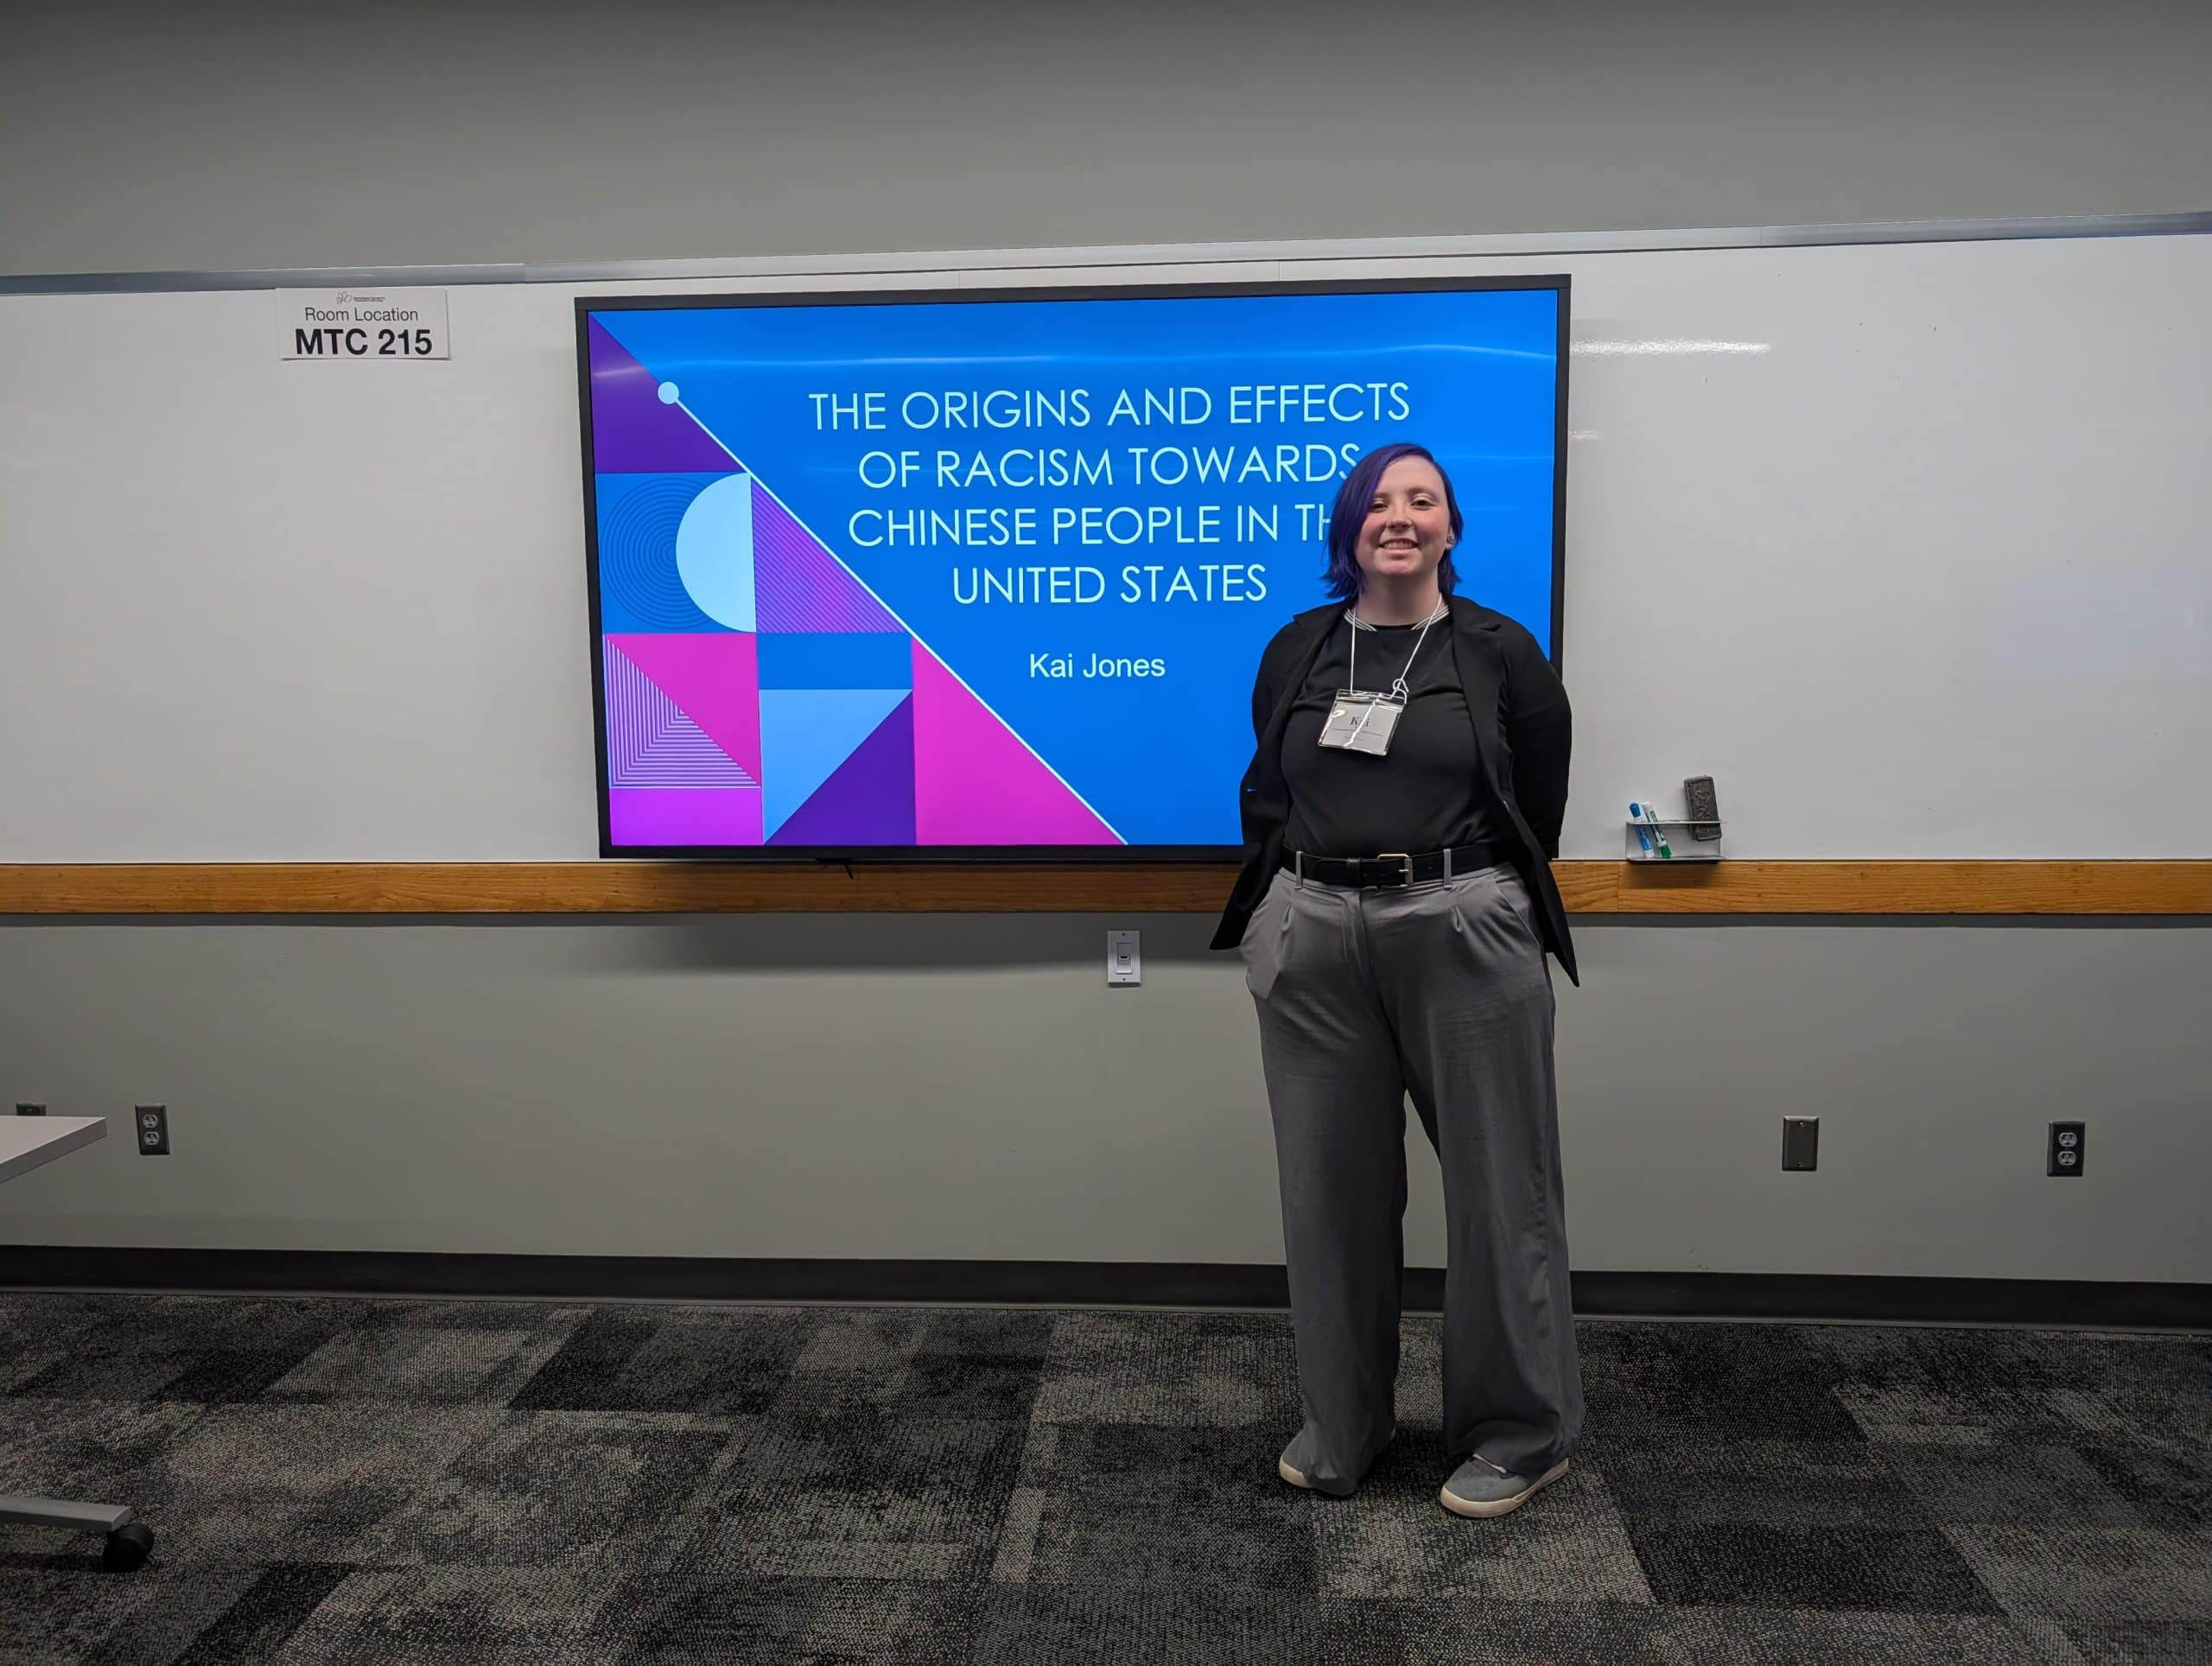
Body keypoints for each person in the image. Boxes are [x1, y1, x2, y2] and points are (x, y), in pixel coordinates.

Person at [1211, 441, 1584, 1520]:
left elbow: (1538, 800)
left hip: (1460, 925)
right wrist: (1284, 911)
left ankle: (1520, 1434)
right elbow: (1270, 785)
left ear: (1450, 527)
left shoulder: (1499, 651)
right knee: (1326, 1194)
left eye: (1422, 499)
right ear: (1349, 529)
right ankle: (1345, 1422)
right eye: (1377, 500)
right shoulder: (1298, 646)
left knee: (1500, 1191)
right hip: (1313, 936)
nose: (1399, 516)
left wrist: (1482, 895)